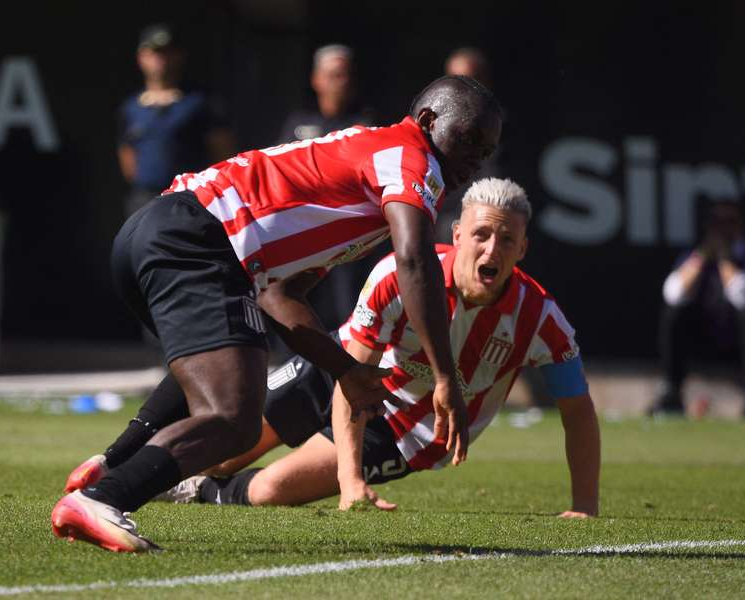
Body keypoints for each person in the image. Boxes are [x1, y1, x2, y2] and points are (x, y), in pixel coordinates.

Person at [51, 75, 503, 552]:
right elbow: (415, 261)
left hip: (160, 231)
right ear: (429, 122)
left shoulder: (366, 172)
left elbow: (280, 297)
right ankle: (105, 498)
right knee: (233, 415)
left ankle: (114, 463)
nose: (474, 159)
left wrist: (345, 371)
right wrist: (445, 376)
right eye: (469, 139)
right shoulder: (411, 157)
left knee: (229, 364)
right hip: (197, 240)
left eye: (486, 151)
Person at [152, 178, 600, 517]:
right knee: (228, 442)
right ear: (458, 234)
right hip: (339, 369)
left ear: (522, 248)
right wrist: (350, 480)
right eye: (482, 234)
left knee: (270, 491)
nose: (491, 249)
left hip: (407, 432)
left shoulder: (541, 320)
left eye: (506, 240)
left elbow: (577, 410)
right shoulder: (397, 276)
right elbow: (353, 374)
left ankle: (200, 491)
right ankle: (120, 473)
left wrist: (585, 506)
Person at [273, 44, 382, 339]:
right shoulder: (298, 124)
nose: (341, 81)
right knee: (291, 307)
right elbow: (281, 172)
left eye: (346, 75)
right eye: (333, 75)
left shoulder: (366, 123)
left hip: (347, 238)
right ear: (316, 80)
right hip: (300, 234)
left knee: (348, 309)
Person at [653, 199, 745, 415]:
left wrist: (724, 258)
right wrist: (702, 258)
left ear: (741, 225)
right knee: (675, 314)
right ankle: (671, 392)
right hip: (707, 337)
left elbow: (744, 298)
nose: (722, 228)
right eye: (716, 222)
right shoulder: (695, 255)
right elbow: (672, 295)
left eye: (729, 221)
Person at [117, 24, 235, 215]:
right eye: (154, 52)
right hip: (144, 201)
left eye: (167, 52)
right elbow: (128, 160)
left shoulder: (200, 103)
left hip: (189, 200)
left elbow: (224, 154)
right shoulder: (130, 108)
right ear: (141, 58)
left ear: (179, 56)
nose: (160, 59)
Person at [434, 48, 506, 243]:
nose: (464, 88)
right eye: (456, 80)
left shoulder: (502, 130)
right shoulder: (432, 127)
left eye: (471, 80)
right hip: (438, 231)